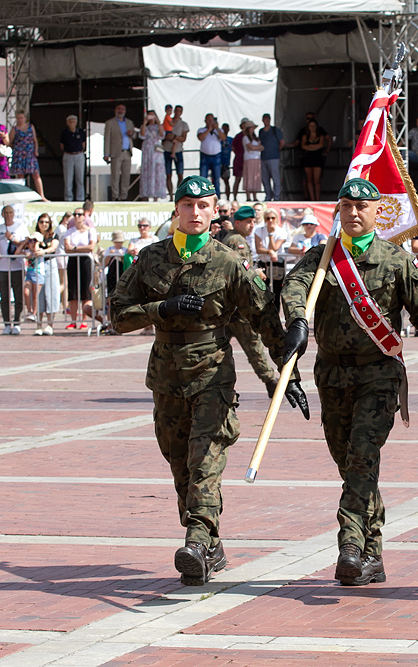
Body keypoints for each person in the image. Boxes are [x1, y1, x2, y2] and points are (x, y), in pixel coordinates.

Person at [111, 175, 307, 585]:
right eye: (187, 205)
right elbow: (117, 316)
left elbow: (262, 319)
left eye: (203, 205)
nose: (195, 212)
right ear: (176, 209)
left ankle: (196, 541)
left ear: (215, 210)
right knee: (179, 463)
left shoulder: (227, 261)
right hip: (166, 376)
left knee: (205, 460)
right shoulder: (150, 258)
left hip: (212, 374)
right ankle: (211, 544)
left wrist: (286, 372)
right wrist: (160, 308)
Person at [281, 177, 418, 587]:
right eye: (347, 206)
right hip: (331, 376)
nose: (354, 213)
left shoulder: (396, 261)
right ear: (339, 211)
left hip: (378, 375)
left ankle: (349, 543)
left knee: (362, 457)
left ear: (378, 211)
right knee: (352, 464)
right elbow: (294, 287)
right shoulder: (322, 257)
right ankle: (373, 553)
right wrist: (295, 318)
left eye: (363, 207)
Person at [220, 205, 280, 395]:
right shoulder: (237, 241)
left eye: (253, 221)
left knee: (217, 347)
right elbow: (240, 274)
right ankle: (270, 380)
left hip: (228, 307)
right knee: (253, 346)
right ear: (237, 222)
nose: (252, 225)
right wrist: (256, 273)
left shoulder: (231, 238)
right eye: (248, 222)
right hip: (238, 308)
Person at [0, 205, 25, 335]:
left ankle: (17, 323)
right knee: (4, 297)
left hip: (17, 266)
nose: (9, 215)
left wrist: (12, 238)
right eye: (6, 213)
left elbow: (24, 243)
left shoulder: (20, 226)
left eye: (11, 212)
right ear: (2, 214)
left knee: (18, 296)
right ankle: (6, 323)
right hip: (3, 268)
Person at [63, 209, 97, 330]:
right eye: (75, 214)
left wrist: (75, 248)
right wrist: (80, 248)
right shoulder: (70, 231)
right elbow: (67, 248)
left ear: (84, 217)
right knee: (73, 291)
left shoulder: (90, 231)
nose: (77, 217)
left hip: (86, 261)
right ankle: (73, 320)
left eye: (80, 214)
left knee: (85, 290)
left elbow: (91, 247)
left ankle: (84, 320)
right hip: (73, 261)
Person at [8, 111, 46, 199]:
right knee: (20, 175)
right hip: (19, 155)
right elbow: (9, 142)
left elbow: (35, 140)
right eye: (18, 118)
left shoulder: (30, 127)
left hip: (30, 154)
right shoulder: (14, 129)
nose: (20, 120)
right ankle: (20, 195)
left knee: (36, 174)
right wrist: (16, 147)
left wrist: (36, 151)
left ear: (25, 118)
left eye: (21, 118)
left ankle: (41, 196)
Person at [253, 206, 291, 294]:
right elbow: (259, 249)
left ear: (276, 219)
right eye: (268, 218)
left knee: (277, 292)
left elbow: (275, 248)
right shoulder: (259, 230)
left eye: (273, 218)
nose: (270, 220)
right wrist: (269, 252)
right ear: (265, 219)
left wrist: (271, 234)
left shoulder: (282, 232)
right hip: (264, 263)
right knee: (262, 290)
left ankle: (276, 308)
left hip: (277, 264)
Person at [104, 104, 135, 201]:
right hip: (116, 152)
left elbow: (134, 137)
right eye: (119, 109)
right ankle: (115, 196)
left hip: (127, 152)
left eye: (123, 109)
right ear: (115, 110)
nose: (121, 111)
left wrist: (132, 134)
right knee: (115, 176)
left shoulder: (129, 122)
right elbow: (107, 139)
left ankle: (124, 196)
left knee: (126, 175)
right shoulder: (110, 123)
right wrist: (106, 153)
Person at [138, 110, 166, 201]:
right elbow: (142, 135)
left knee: (157, 172)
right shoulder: (145, 127)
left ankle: (156, 196)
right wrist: (145, 122)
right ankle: (145, 194)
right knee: (147, 171)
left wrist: (158, 122)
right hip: (147, 151)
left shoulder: (159, 127)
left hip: (157, 151)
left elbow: (162, 135)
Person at [197, 113, 225, 197]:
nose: (210, 122)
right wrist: (209, 129)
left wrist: (216, 129)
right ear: (205, 121)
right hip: (205, 156)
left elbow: (223, 138)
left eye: (211, 120)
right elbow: (201, 138)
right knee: (203, 177)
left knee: (216, 178)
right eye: (208, 120)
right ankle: (203, 194)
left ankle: (217, 196)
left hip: (216, 156)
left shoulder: (219, 130)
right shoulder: (201, 130)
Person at [60, 115, 86, 202]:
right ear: (67, 123)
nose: (72, 123)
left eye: (73, 121)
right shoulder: (64, 133)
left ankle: (80, 198)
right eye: (70, 122)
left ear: (76, 122)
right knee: (68, 178)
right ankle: (68, 198)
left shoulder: (81, 132)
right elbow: (62, 145)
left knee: (80, 178)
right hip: (68, 155)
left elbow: (83, 144)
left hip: (79, 155)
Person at [258, 113, 284, 201]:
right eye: (264, 119)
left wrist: (277, 150)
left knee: (275, 178)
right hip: (263, 157)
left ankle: (277, 196)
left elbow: (282, 142)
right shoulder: (261, 131)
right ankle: (268, 196)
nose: (266, 121)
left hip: (274, 157)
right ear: (262, 120)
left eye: (267, 119)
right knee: (265, 179)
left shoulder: (275, 130)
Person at [300, 119, 327, 200]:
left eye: (314, 126)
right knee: (309, 179)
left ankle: (317, 198)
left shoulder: (320, 136)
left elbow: (320, 145)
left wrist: (310, 147)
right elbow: (303, 146)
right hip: (308, 158)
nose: (312, 127)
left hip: (317, 159)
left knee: (317, 180)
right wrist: (315, 147)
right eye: (310, 126)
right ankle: (312, 198)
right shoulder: (305, 136)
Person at [166, 104, 190, 193]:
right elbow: (165, 135)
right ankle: (170, 195)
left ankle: (179, 193)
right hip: (167, 149)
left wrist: (173, 137)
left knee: (180, 174)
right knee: (168, 174)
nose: (177, 113)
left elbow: (183, 138)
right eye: (176, 110)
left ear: (181, 112)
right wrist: (173, 137)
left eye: (179, 111)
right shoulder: (168, 121)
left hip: (178, 150)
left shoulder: (183, 124)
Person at [241, 120, 262, 201]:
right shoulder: (245, 138)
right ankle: (248, 197)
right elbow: (250, 147)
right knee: (249, 176)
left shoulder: (256, 138)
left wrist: (254, 148)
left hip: (256, 158)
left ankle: (255, 196)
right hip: (249, 159)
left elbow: (261, 147)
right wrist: (257, 148)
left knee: (255, 177)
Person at [219, 122, 233, 197]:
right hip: (218, 162)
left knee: (226, 181)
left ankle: (228, 197)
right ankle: (217, 197)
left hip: (226, 163)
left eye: (226, 128)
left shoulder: (230, 139)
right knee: (215, 181)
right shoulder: (218, 139)